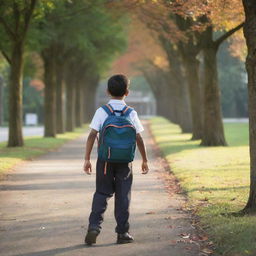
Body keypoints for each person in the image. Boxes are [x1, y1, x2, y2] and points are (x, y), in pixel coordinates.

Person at [83, 74, 149, 245]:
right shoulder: (131, 113)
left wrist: (87, 159)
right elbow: (139, 138)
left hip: (105, 160)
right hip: (125, 162)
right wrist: (144, 160)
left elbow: (92, 135)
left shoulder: (102, 111)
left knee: (102, 193)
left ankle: (94, 227)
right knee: (123, 196)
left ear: (107, 91)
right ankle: (122, 233)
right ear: (127, 92)